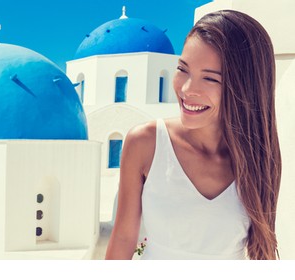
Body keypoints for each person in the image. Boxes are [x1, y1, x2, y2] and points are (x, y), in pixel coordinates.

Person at [105, 10, 281, 260]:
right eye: (182, 69)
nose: (187, 89)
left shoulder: (259, 157)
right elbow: (123, 240)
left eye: (210, 78)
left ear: (245, 87)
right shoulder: (146, 143)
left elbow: (262, 252)